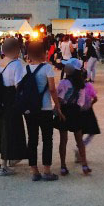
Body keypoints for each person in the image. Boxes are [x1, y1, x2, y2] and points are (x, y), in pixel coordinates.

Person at [24, 41, 63, 182]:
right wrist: (57, 106)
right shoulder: (47, 68)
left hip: (29, 109)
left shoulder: (25, 69)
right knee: (47, 139)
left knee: (32, 139)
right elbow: (52, 89)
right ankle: (47, 170)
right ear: (44, 53)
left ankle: (34, 170)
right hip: (45, 108)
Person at [0, 37, 27, 176]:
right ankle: (5, 164)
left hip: (0, 101)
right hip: (11, 101)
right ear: (16, 50)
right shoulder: (16, 64)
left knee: (2, 130)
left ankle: (9, 159)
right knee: (11, 131)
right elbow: (18, 85)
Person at [56, 59, 91, 176]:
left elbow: (58, 97)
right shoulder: (81, 84)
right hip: (76, 111)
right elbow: (81, 102)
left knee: (63, 140)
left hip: (64, 111)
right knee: (79, 140)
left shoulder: (63, 83)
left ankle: (63, 166)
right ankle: (84, 165)